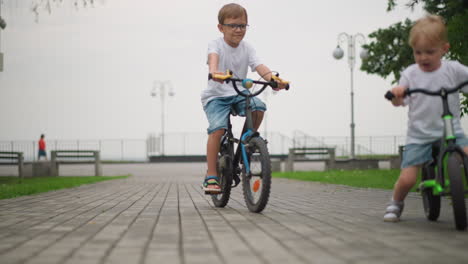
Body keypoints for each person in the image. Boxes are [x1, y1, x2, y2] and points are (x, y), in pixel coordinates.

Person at [384, 14, 468, 222]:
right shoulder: (410, 74)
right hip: (419, 134)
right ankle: (396, 202)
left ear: (444, 49)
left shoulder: (453, 70)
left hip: (451, 130)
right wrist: (397, 94)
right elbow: (398, 101)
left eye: (430, 52)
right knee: (408, 178)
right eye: (418, 52)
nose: (423, 57)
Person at [201, 3, 287, 194]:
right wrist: (214, 72)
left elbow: (259, 66)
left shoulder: (247, 48)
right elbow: (213, 59)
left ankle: (247, 143)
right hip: (216, 96)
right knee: (218, 129)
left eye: (242, 25)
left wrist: (273, 80)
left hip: (239, 92)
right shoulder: (215, 44)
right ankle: (212, 175)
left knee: (258, 107)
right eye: (232, 25)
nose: (238, 30)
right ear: (221, 28)